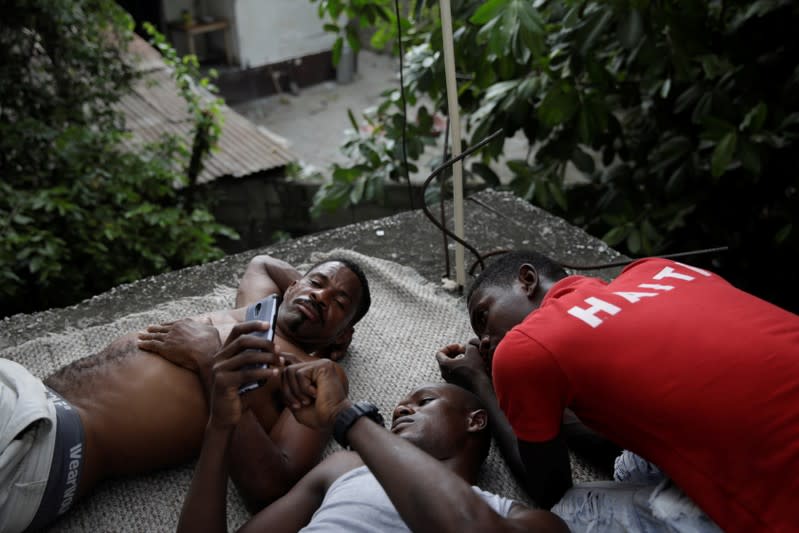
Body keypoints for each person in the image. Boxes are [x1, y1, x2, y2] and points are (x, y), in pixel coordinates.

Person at [0, 254, 371, 533]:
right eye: (316, 282)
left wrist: (210, 358)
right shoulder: (256, 312)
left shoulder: (311, 372)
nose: (322, 296)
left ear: (345, 336)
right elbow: (262, 263)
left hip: (47, 446)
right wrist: (310, 291)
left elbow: (273, 486)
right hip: (27, 392)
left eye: (339, 304)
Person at [436, 250, 799, 532]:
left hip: (783, 505)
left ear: (527, 280)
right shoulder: (657, 269)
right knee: (630, 462)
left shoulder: (525, 347)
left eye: (484, 317)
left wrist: (481, 381)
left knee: (568, 514)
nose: (485, 341)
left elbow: (551, 488)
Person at [177, 324, 569, 533]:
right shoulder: (345, 469)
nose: (401, 408)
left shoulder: (529, 522)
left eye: (423, 402)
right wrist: (220, 426)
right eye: (402, 403)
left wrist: (347, 418)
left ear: (475, 419)